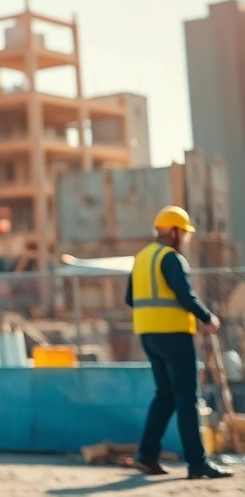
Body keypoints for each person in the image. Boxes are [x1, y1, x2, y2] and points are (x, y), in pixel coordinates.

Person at [127, 206, 233, 480]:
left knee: (165, 395)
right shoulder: (171, 258)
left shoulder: (141, 258)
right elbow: (185, 295)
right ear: (173, 232)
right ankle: (197, 463)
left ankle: (146, 455)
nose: (186, 238)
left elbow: (130, 298)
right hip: (174, 336)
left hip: (148, 336)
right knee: (187, 398)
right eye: (184, 233)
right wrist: (207, 317)